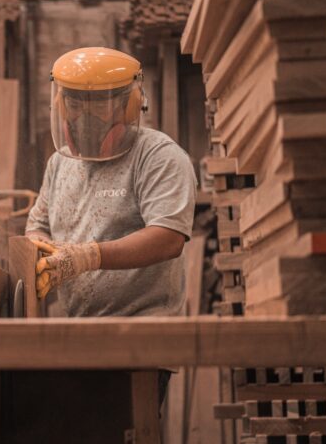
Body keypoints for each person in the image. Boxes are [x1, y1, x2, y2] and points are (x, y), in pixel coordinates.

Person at [25, 47, 197, 405]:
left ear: (129, 105)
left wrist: (88, 256)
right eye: (74, 103)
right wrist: (41, 248)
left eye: (99, 103)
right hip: (78, 340)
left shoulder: (158, 157)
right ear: (60, 105)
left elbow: (168, 238)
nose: (84, 115)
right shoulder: (60, 165)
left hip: (141, 341)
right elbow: (37, 225)